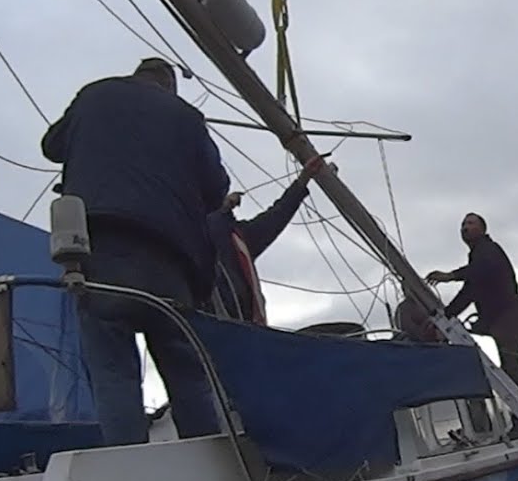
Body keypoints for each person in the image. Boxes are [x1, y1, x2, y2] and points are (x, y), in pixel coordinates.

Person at [42, 57, 231, 446]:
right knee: (185, 371)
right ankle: (209, 462)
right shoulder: (187, 117)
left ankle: (130, 467)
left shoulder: (94, 94)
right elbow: (216, 191)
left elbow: (52, 147)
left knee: (114, 373)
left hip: (100, 252)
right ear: (170, 86)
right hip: (172, 261)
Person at [425, 213, 518, 405]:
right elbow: (470, 290)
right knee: (511, 368)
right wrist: (446, 315)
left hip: (510, 318)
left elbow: (482, 271)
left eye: (470, 223)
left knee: (511, 368)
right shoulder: (478, 256)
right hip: (505, 320)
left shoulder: (489, 250)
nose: (465, 227)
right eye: (463, 224)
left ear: (483, 229)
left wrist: (451, 276)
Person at [207, 155, 331, 323]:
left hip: (243, 326)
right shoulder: (195, 230)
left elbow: (276, 216)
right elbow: (211, 226)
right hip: (206, 321)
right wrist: (222, 210)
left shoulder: (240, 238)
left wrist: (303, 179)